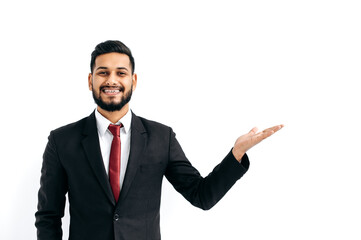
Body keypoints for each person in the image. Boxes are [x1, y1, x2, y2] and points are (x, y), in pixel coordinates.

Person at [35, 40, 283, 240]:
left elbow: (202, 196)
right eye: (103, 73)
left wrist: (236, 155)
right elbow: (49, 215)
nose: (112, 80)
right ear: (91, 81)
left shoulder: (161, 138)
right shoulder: (61, 141)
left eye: (121, 73)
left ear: (133, 81)